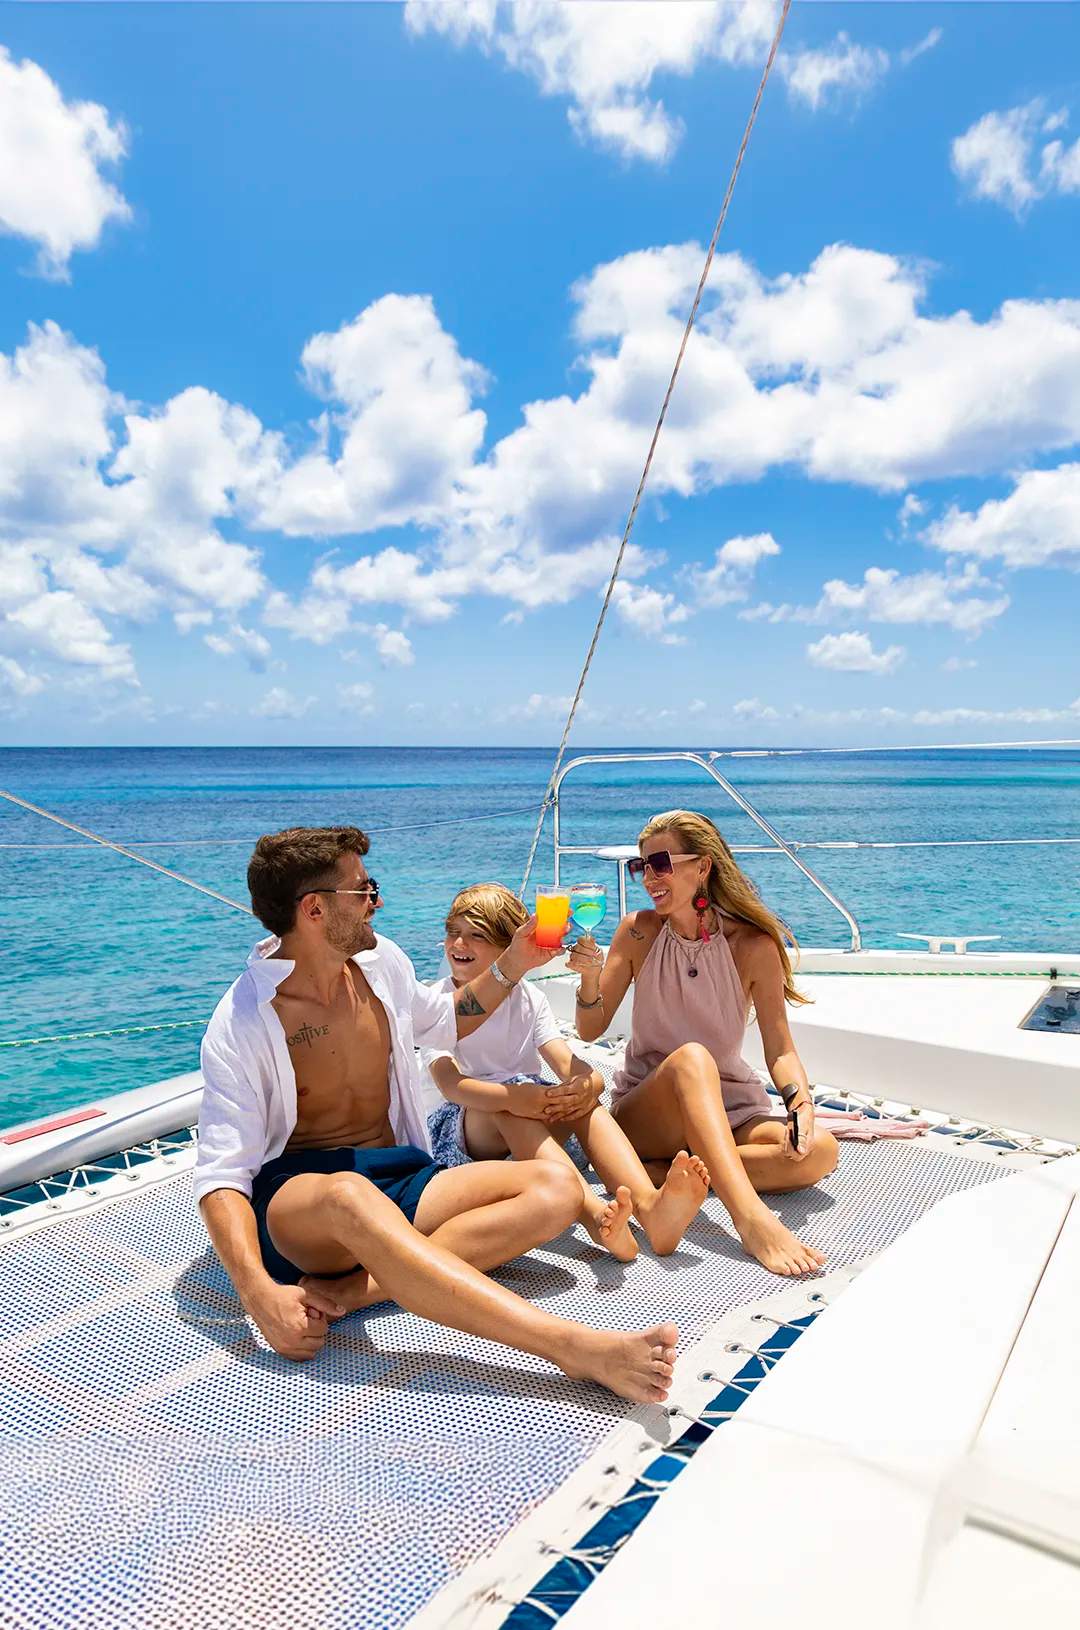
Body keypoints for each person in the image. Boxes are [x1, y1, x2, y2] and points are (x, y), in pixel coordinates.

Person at [195, 826, 677, 1405]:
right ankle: (570, 1346)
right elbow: (222, 1175)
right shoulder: (243, 1019)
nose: (376, 901)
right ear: (314, 909)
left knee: (556, 1188)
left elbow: (447, 1019)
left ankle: (355, 1290)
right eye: (363, 889)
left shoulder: (380, 964)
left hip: (400, 1176)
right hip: (304, 1203)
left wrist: (515, 963)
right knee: (348, 1193)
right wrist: (257, 1295)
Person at [568, 809, 839, 1278]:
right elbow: (590, 1029)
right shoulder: (638, 932)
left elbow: (780, 1048)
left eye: (661, 863)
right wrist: (590, 979)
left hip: (729, 1109)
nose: (649, 877)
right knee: (693, 1059)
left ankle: (658, 1173)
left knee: (818, 1151)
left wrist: (800, 1103)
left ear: (703, 867)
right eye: (641, 866)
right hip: (648, 1111)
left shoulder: (753, 947)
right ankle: (750, 1217)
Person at [424, 883, 709, 1262]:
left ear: (510, 946)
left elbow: (568, 1064)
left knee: (582, 1102)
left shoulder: (530, 998)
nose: (459, 944)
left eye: (477, 935)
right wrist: (515, 1098)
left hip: (529, 1117)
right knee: (508, 1108)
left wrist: (587, 1085)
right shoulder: (440, 1003)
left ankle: (650, 1208)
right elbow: (450, 1084)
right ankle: (596, 1219)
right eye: (453, 932)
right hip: (467, 1130)